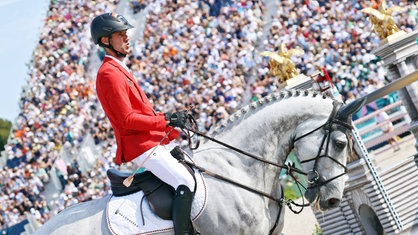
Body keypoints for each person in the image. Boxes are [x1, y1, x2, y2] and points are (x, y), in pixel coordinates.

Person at [90, 13, 195, 235]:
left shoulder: (119, 68)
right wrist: (165, 119)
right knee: (185, 181)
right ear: (106, 41)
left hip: (152, 139)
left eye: (126, 34)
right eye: (121, 35)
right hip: (141, 146)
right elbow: (126, 120)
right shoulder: (109, 73)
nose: (127, 38)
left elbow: (141, 111)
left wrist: (168, 120)